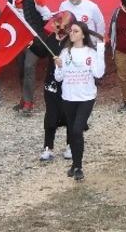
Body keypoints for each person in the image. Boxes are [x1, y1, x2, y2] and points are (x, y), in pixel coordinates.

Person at [53, 21, 106, 182]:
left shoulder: (90, 52)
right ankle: (75, 165)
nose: (72, 33)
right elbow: (58, 77)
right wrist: (59, 66)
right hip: (69, 97)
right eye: (71, 31)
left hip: (86, 97)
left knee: (77, 130)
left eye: (76, 31)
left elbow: (98, 73)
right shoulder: (65, 52)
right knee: (72, 131)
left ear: (83, 34)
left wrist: (101, 52)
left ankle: (78, 167)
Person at [38, 12, 73, 163]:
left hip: (69, 84)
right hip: (51, 84)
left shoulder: (73, 41)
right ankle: (48, 147)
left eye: (60, 24)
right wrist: (30, 40)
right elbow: (40, 52)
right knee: (51, 114)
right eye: (56, 23)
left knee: (69, 114)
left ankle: (71, 145)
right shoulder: (51, 38)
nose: (56, 26)